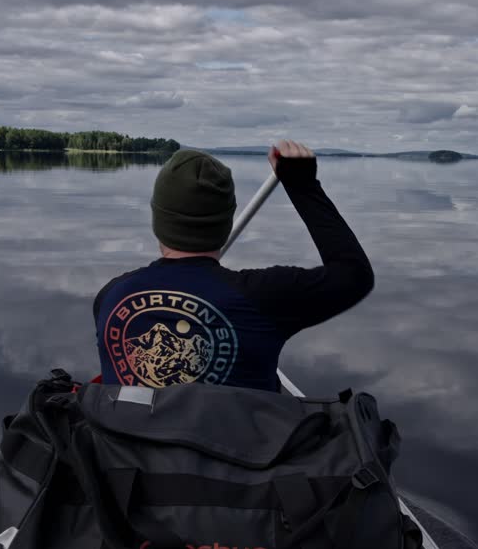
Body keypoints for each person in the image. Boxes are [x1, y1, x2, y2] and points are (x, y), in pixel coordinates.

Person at [93, 141, 373, 391]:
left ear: (158, 219)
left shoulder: (111, 297)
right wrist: (302, 185)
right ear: (226, 224)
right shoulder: (265, 298)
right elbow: (354, 274)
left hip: (124, 436)